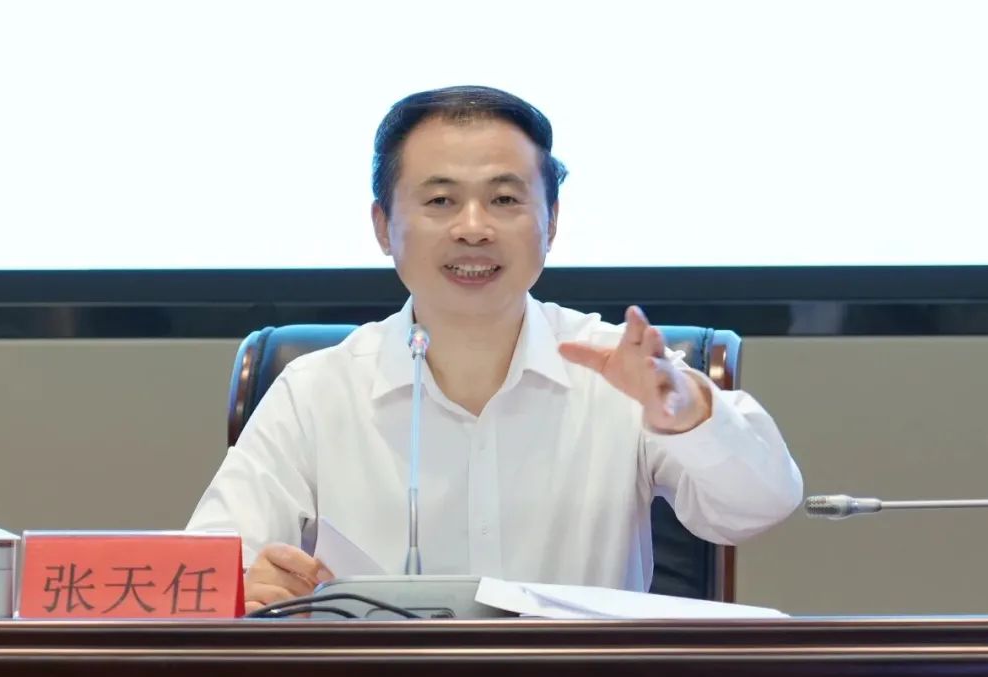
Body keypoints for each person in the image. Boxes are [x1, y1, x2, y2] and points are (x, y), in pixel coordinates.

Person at [187, 86, 803, 613]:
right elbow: (208, 573)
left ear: (551, 221)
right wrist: (246, 589)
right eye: (440, 200)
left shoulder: (622, 372)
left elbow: (758, 506)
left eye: (505, 199)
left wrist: (689, 417)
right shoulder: (316, 391)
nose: (474, 227)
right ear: (382, 226)